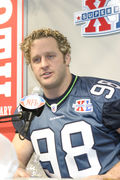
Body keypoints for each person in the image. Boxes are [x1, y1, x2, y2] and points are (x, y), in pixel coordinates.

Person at [12, 28, 120, 180]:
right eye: (36, 59)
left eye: (50, 56)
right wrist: (16, 170)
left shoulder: (103, 96)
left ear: (67, 58)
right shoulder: (30, 108)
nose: (44, 64)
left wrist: (108, 177)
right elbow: (16, 159)